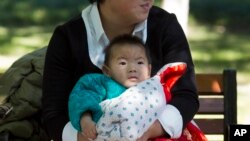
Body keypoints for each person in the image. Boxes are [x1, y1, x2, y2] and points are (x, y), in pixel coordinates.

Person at [42, 0, 199, 141]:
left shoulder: (165, 26)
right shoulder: (67, 38)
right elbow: (54, 115)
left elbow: (186, 96)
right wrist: (86, 137)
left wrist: (149, 132)